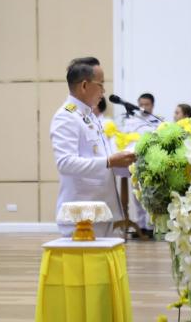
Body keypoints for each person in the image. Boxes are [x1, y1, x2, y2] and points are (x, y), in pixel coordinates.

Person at [50, 57, 136, 237]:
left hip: (105, 211)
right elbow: (65, 163)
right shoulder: (66, 117)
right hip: (83, 216)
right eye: (101, 84)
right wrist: (109, 161)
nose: (104, 91)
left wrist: (129, 164)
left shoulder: (89, 116)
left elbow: (105, 161)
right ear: (84, 86)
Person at [122, 93, 161, 237]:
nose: (144, 107)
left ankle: (151, 227)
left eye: (147, 104)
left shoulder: (158, 121)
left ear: (152, 105)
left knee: (151, 195)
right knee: (137, 196)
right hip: (135, 163)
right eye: (141, 104)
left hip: (151, 164)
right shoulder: (131, 121)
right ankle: (141, 227)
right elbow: (124, 140)